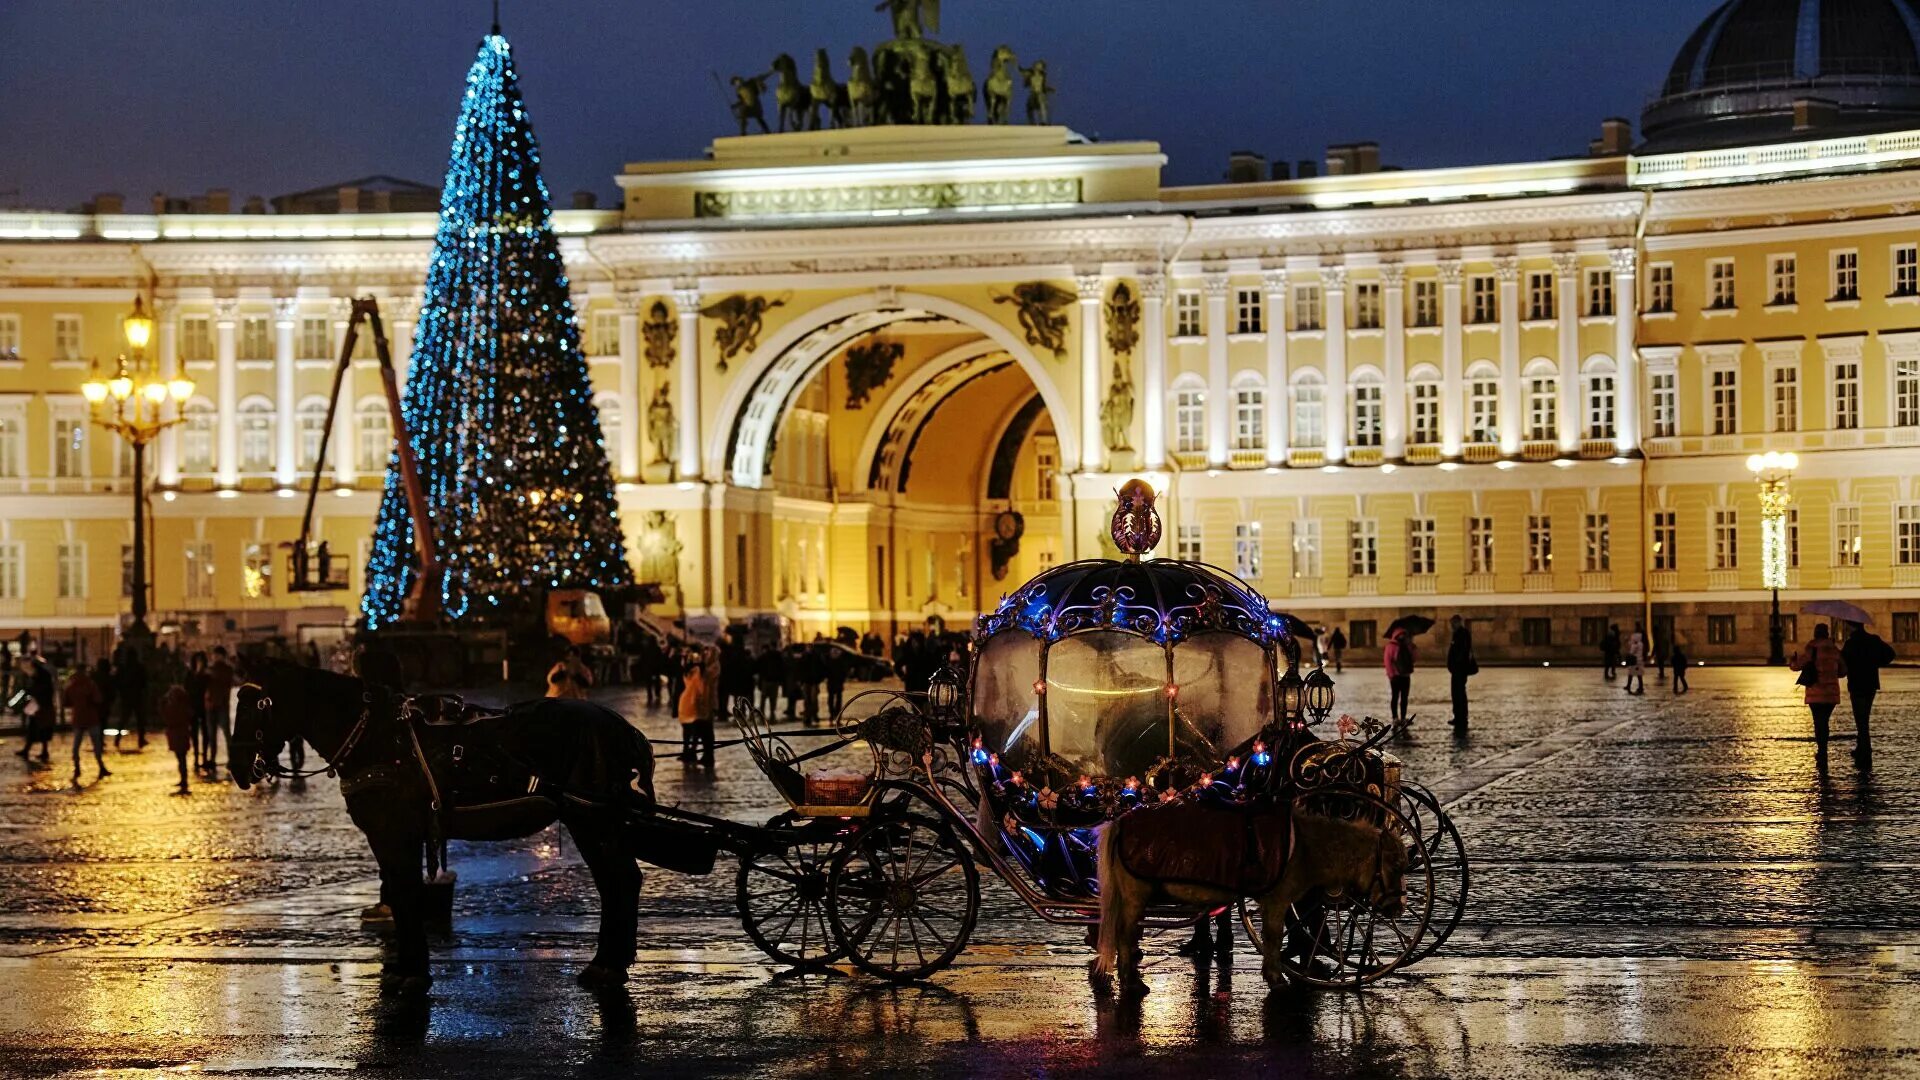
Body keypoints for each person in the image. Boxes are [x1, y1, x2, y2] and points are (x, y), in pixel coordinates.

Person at [1789, 624, 1848, 762]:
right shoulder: (1834, 650)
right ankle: (1824, 749)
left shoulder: (1812, 649)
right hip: (1831, 693)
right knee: (1825, 721)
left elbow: (1797, 666)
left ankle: (1822, 751)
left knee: (1818, 722)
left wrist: (1792, 661)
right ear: (1827, 633)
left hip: (1815, 693)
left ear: (1815, 633)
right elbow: (1843, 670)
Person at [1840, 621, 1895, 765]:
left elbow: (1842, 663)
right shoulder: (1874, 639)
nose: (1846, 628)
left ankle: (1865, 750)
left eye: (1847, 626)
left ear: (1852, 626)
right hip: (1870, 683)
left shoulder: (1850, 643)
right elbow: (1891, 654)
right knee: (1865, 716)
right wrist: (1876, 662)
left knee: (1861, 719)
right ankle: (1862, 748)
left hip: (1856, 683)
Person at [63, 662, 109, 785]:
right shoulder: (90, 684)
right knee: (96, 744)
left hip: (78, 717)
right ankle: (101, 766)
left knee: (76, 745)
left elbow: (66, 701)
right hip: (91, 717)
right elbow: (98, 699)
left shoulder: (71, 685)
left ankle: (77, 768)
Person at [15, 652, 55, 765]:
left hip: (41, 705)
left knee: (38, 727)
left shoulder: (41, 676)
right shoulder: (40, 675)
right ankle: (38, 750)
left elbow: (39, 689)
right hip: (40, 704)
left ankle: (35, 750)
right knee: (39, 728)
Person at [677, 652, 715, 768]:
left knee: (693, 732)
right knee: (703, 732)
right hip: (696, 707)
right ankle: (700, 754)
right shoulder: (699, 672)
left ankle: (692, 752)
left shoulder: (690, 672)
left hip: (689, 707)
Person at [205, 647, 236, 773]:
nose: (215, 657)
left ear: (222, 656)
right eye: (214, 655)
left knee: (225, 733)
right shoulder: (212, 670)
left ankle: (231, 758)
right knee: (213, 734)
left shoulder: (225, 670)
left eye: (217, 655)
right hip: (213, 705)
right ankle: (212, 758)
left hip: (221, 705)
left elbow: (225, 683)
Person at [160, 681, 194, 794]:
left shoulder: (174, 707)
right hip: (180, 734)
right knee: (181, 759)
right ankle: (183, 779)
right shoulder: (184, 706)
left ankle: (184, 780)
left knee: (181, 759)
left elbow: (166, 715)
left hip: (177, 735)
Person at [112, 642, 148, 750]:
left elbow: (117, 681)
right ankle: (141, 739)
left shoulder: (123, 668)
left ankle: (117, 738)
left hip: (126, 696)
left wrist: (120, 692)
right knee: (140, 719)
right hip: (137, 696)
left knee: (123, 719)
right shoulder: (139, 667)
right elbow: (144, 682)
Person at [1445, 615, 1476, 731]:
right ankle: (1458, 716)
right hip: (1457, 669)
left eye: (1453, 623)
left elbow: (1462, 651)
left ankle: (1461, 717)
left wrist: (1456, 664)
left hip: (1460, 669)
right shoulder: (1458, 633)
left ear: (1458, 622)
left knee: (1459, 693)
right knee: (1457, 693)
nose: (1451, 625)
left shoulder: (1462, 633)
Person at [1383, 625, 1415, 732]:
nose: (1403, 636)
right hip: (1396, 676)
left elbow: (1413, 659)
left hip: (1405, 675)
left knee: (1405, 697)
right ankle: (1395, 717)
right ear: (1396, 635)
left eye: (1404, 634)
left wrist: (1412, 647)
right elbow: (1387, 661)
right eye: (1401, 634)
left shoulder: (1408, 645)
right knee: (1395, 697)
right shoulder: (1391, 646)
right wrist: (1391, 674)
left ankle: (1403, 717)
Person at [184, 652, 210, 771]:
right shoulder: (189, 674)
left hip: (205, 706)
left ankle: (204, 756)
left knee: (205, 732)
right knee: (194, 733)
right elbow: (187, 689)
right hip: (193, 706)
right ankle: (195, 756)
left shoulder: (206, 675)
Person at [1623, 622, 1648, 696]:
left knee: (1630, 673)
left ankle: (1629, 686)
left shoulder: (1635, 644)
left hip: (1634, 661)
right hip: (1639, 660)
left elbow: (1631, 651)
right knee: (1639, 675)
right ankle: (1640, 687)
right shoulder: (1641, 643)